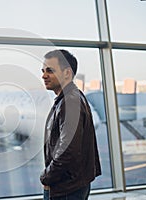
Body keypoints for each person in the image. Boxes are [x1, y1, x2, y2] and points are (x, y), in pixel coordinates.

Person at [40, 49, 101, 200]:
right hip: (72, 184)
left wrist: (46, 177)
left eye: (50, 70)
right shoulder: (71, 97)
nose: (43, 75)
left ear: (67, 73)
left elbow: (67, 151)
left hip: (66, 188)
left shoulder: (69, 102)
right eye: (43, 71)